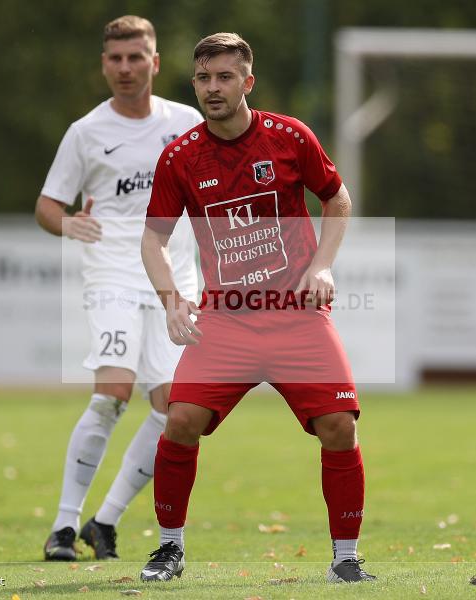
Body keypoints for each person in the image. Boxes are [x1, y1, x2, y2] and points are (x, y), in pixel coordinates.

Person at [138, 33, 376, 583]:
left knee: (340, 425)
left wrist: (322, 265)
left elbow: (336, 197)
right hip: (225, 321)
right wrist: (173, 301)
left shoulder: (290, 137)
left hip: (296, 317)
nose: (212, 88)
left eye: (224, 77)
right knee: (180, 420)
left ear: (248, 82)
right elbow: (152, 241)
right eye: (203, 78)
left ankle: (345, 558)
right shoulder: (180, 158)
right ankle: (169, 549)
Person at [34, 15, 202, 561]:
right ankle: (62, 527)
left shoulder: (187, 122)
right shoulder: (87, 132)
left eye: (136, 57)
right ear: (104, 64)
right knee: (112, 394)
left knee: (175, 411)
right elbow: (47, 205)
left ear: (155, 62)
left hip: (175, 281)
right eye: (115, 58)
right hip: (112, 273)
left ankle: (103, 523)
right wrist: (67, 223)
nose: (125, 68)